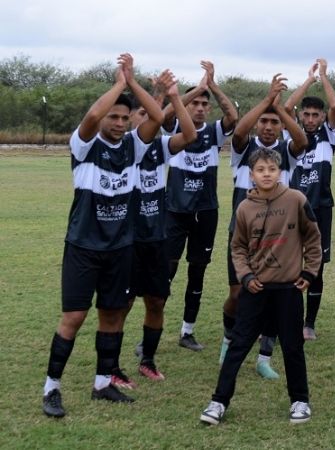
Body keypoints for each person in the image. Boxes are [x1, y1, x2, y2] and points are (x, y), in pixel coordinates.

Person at [42, 53, 164, 418]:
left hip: (120, 247)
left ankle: (102, 383)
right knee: (75, 317)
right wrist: (119, 85)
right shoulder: (84, 146)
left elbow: (157, 117)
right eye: (115, 116)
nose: (119, 123)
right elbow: (92, 117)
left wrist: (135, 84)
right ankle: (52, 387)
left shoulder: (134, 146)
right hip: (83, 246)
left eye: (125, 118)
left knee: (112, 315)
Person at [200, 148, 321, 426]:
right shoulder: (244, 207)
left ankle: (300, 401)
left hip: (289, 289)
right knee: (238, 345)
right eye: (260, 170)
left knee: (292, 346)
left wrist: (309, 271)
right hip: (256, 289)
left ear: (279, 172)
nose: (266, 174)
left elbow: (313, 238)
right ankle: (218, 402)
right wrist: (245, 276)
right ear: (251, 174)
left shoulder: (295, 199)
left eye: (272, 169)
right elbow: (238, 248)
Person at [219, 74, 308, 379]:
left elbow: (302, 140)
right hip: (243, 238)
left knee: (275, 297)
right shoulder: (244, 150)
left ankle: (264, 358)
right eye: (264, 122)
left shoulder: (286, 154)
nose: (269, 127)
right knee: (237, 294)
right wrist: (267, 101)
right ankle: (229, 340)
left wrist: (280, 109)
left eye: (275, 123)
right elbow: (241, 130)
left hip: (281, 241)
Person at [118, 70, 198, 385]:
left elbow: (189, 136)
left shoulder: (161, 147)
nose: (148, 116)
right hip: (126, 240)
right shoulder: (121, 145)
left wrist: (175, 96)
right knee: (121, 305)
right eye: (142, 112)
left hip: (156, 237)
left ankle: (148, 360)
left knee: (156, 301)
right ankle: (110, 365)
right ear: (128, 118)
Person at [163, 61, 238, 352]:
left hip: (206, 212)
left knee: (197, 272)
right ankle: (151, 333)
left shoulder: (214, 133)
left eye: (204, 104)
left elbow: (232, 115)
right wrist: (183, 95)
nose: (199, 107)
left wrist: (212, 86)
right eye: (194, 103)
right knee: (166, 272)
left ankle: (187, 331)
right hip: (175, 211)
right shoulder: (172, 131)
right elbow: (167, 114)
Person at [281, 58, 335, 340]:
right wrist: (308, 79)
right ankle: (287, 319)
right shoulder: (292, 135)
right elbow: (285, 108)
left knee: (315, 266)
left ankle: (309, 323)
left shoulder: (329, 137)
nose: (311, 119)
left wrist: (324, 77)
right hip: (291, 210)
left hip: (320, 209)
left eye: (316, 115)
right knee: (289, 264)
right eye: (307, 114)